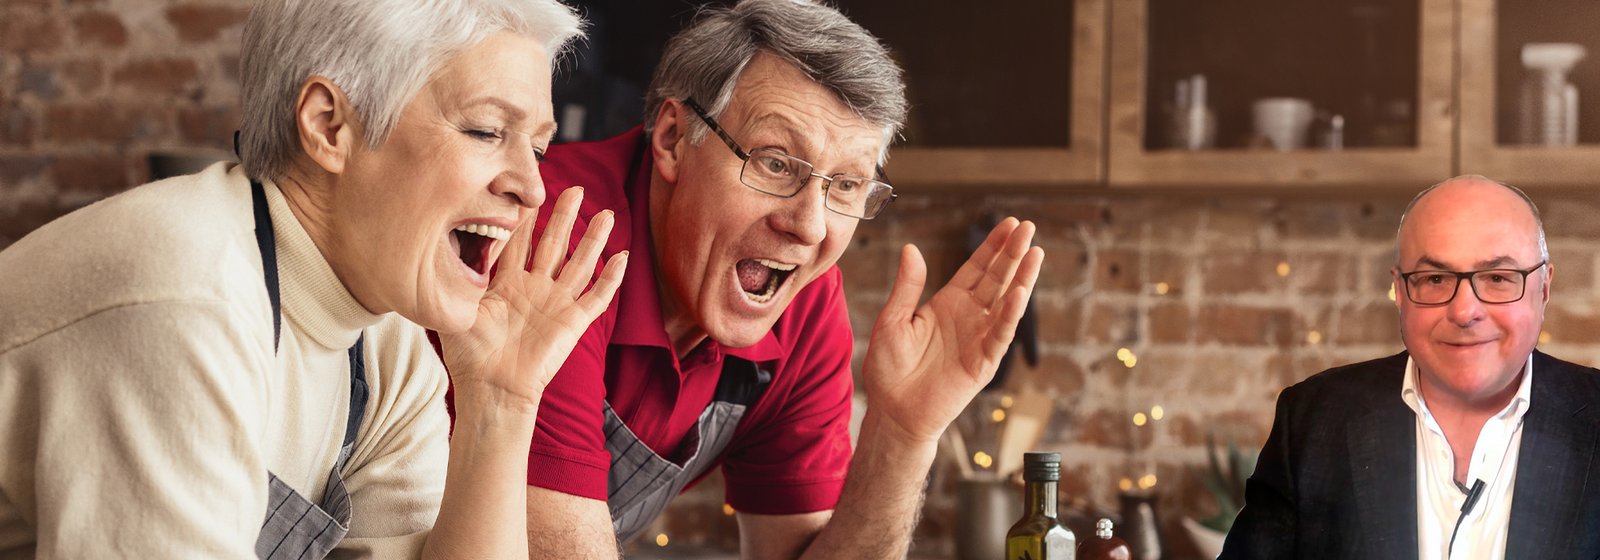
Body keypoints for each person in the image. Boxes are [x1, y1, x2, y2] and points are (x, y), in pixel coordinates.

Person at [0, 0, 626, 557]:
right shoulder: (184, 297)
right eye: (486, 131)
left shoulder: (386, 345)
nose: (532, 186)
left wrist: (499, 402)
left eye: (538, 148)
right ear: (330, 126)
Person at [499, 1, 1045, 557]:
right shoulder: (556, 237)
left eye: (847, 185)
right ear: (671, 138)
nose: (808, 227)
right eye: (776, 163)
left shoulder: (802, 307)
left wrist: (902, 436)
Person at [1221, 176, 1600, 558]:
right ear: (1400, 292)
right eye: (1435, 279)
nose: (1465, 311)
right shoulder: (1312, 420)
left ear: (1544, 288)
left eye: (1498, 278)